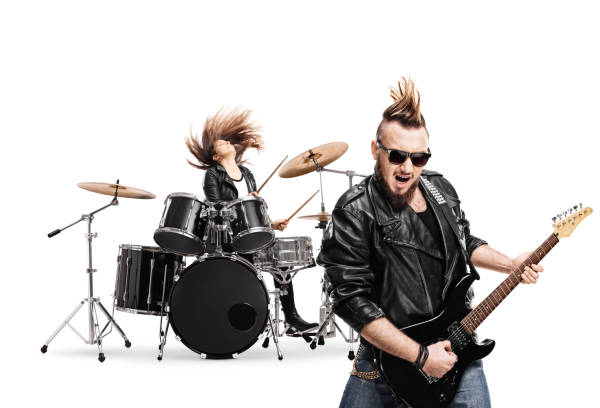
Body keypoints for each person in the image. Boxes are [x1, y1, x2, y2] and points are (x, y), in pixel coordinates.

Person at [316, 78, 544, 407]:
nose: (407, 168)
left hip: (456, 349)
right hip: (385, 362)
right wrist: (421, 356)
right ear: (374, 150)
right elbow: (352, 302)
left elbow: (464, 241)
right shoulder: (355, 209)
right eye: (396, 156)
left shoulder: (440, 189)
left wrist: (511, 264)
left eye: (419, 158)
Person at [186, 107, 318, 335]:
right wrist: (241, 202)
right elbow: (215, 208)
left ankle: (292, 320)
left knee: (282, 262)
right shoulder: (213, 175)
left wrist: (271, 224)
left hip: (250, 236)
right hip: (226, 240)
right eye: (221, 143)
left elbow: (253, 211)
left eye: (227, 141)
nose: (227, 142)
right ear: (216, 156)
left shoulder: (247, 174)